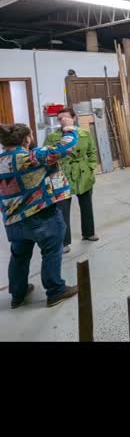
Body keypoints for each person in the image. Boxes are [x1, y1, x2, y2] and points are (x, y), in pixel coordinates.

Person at [0, 117, 80, 308]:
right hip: (41, 216)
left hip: (13, 220)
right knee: (51, 251)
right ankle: (55, 291)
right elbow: (62, 148)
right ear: (26, 139)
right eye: (31, 135)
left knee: (19, 256)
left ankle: (17, 295)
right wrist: (69, 128)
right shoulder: (29, 157)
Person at [45, 107, 99, 251]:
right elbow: (47, 155)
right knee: (62, 209)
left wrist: (90, 167)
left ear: (74, 118)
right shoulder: (52, 137)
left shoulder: (84, 134)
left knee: (86, 204)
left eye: (66, 117)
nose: (63, 120)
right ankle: (64, 241)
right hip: (62, 174)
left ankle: (88, 232)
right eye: (60, 118)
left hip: (82, 172)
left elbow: (92, 151)